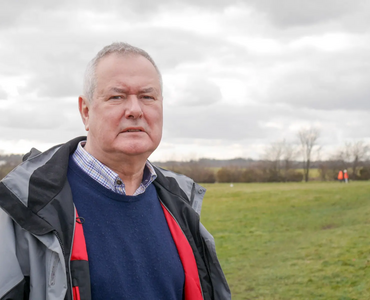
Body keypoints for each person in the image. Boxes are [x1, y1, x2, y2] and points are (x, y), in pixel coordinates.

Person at [0, 42, 230, 300]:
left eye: (147, 96)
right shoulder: (24, 207)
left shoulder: (180, 203)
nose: (135, 110)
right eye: (117, 96)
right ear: (85, 111)